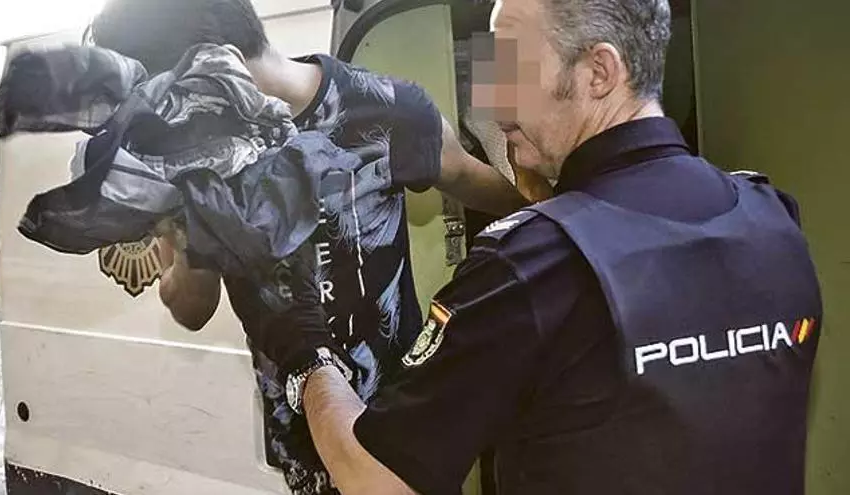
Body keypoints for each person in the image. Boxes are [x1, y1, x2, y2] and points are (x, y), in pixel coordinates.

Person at [255, 0, 825, 494]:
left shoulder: (529, 265)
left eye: (511, 66)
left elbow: (377, 481)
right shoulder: (770, 217)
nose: (494, 102)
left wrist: (304, 349)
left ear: (599, 71)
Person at [89, 0, 531, 493]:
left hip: (404, 439)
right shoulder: (191, 160)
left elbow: (489, 191)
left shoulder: (386, 110)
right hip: (303, 442)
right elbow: (192, 308)